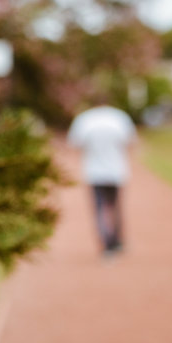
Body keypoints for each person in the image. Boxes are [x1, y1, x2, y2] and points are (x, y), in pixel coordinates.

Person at [67, 103, 136, 256]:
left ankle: (107, 243)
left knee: (99, 209)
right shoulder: (119, 117)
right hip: (116, 171)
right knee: (115, 206)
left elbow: (74, 144)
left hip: (94, 172)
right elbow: (130, 142)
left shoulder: (85, 119)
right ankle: (116, 240)